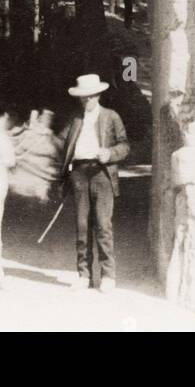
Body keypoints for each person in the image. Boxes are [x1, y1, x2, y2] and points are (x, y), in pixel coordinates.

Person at [58, 73, 129, 292]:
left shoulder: (111, 116)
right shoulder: (75, 118)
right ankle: (84, 275)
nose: (86, 100)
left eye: (89, 96)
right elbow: (61, 142)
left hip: (102, 174)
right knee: (82, 225)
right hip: (79, 173)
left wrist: (110, 153)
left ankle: (108, 276)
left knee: (103, 224)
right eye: (82, 97)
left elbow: (125, 145)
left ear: (98, 95)